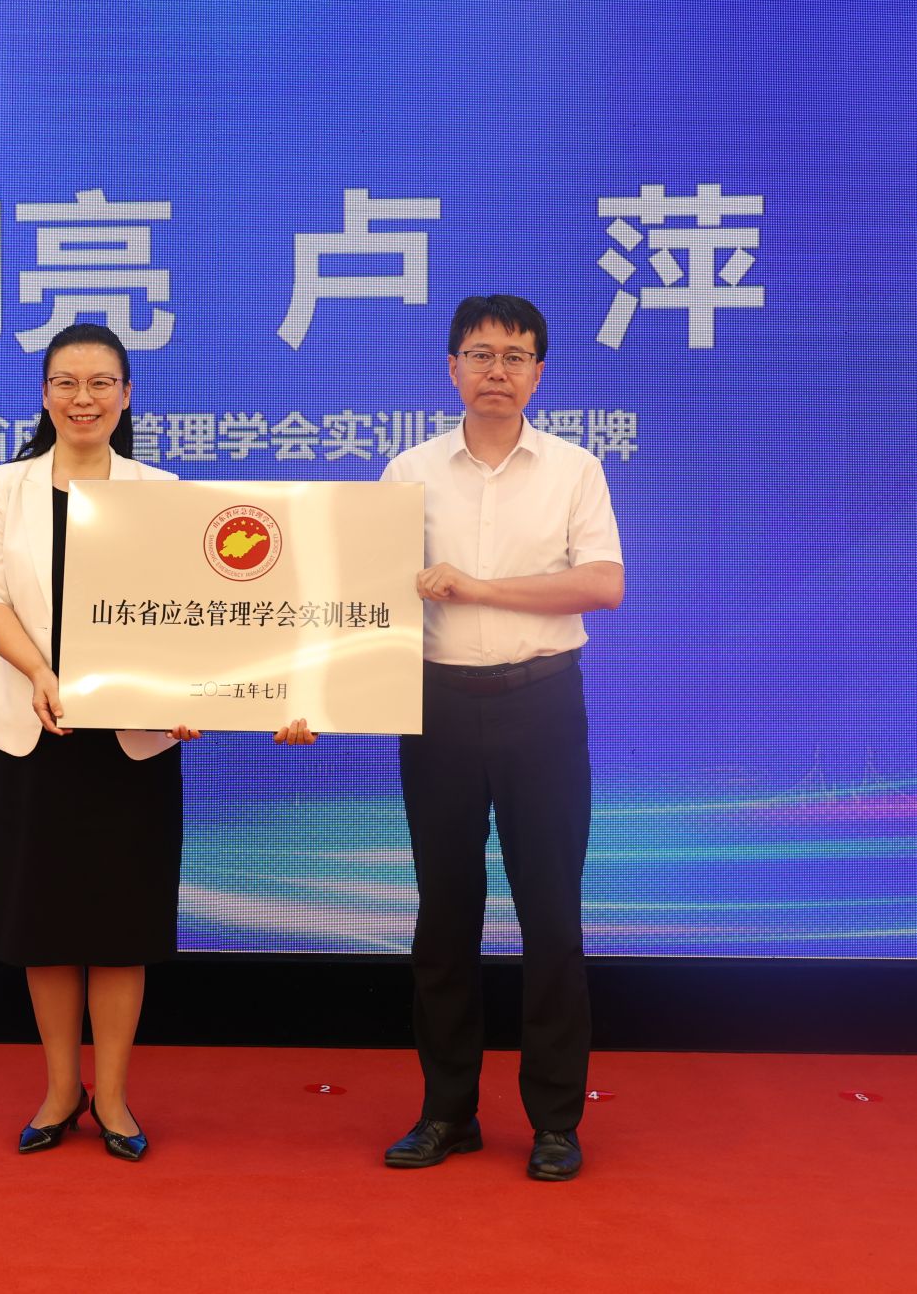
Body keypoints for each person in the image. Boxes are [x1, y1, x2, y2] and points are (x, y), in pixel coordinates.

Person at [0, 322, 312, 1163]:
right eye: (67, 382)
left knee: (121, 924)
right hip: (32, 729)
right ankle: (60, 1089)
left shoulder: (162, 491)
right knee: (43, 924)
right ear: (44, 394)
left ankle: (112, 1096)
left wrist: (188, 694)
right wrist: (41, 670)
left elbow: (191, 615)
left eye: (101, 383)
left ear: (126, 395)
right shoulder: (5, 486)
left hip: (130, 742)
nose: (83, 398)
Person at [377, 294, 624, 1182]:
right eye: (480, 354)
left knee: (551, 916)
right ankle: (448, 1112)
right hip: (437, 707)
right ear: (451, 367)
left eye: (515, 357)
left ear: (539, 374)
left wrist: (479, 587)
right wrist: (315, 692)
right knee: (443, 918)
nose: (497, 371)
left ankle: (555, 1120)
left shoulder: (573, 469)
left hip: (542, 705)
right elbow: (366, 594)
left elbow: (602, 584)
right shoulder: (408, 471)